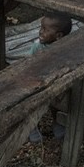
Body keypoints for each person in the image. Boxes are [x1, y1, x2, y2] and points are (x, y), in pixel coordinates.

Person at [28, 13, 72, 143]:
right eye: (41, 28)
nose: (40, 32)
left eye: (45, 30)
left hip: (56, 82)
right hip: (37, 82)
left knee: (59, 101)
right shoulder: (37, 47)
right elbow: (28, 66)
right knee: (32, 104)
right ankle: (31, 128)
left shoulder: (67, 48)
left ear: (58, 36)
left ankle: (58, 123)